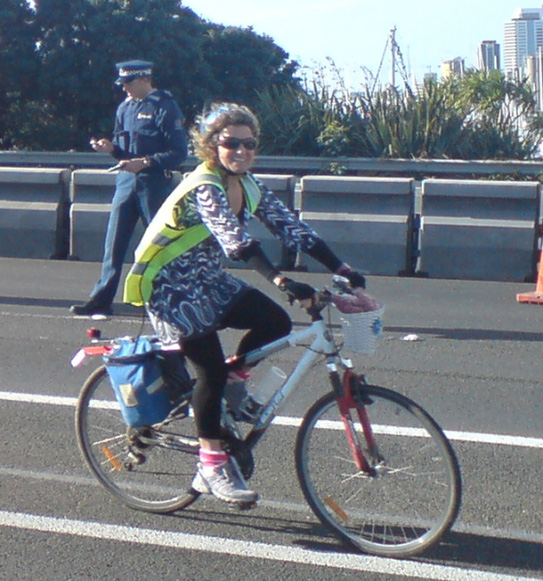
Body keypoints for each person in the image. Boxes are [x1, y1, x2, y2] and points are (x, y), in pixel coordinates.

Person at [123, 103, 365, 505]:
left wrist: (342, 265)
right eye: (230, 143)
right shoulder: (205, 185)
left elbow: (292, 228)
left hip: (207, 279)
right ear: (211, 146)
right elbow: (236, 241)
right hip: (170, 285)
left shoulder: (249, 184)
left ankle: (231, 390)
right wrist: (282, 279)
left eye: (248, 144)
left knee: (274, 322)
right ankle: (212, 464)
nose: (241, 151)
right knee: (210, 372)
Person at [70, 60, 188, 316]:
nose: (125, 89)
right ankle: (100, 299)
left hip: (154, 183)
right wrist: (111, 149)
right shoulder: (125, 108)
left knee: (159, 245)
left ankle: (173, 299)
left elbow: (179, 153)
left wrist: (145, 162)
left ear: (145, 79)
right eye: (122, 84)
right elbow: (123, 149)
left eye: (129, 83)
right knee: (114, 244)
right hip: (126, 182)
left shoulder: (165, 107)